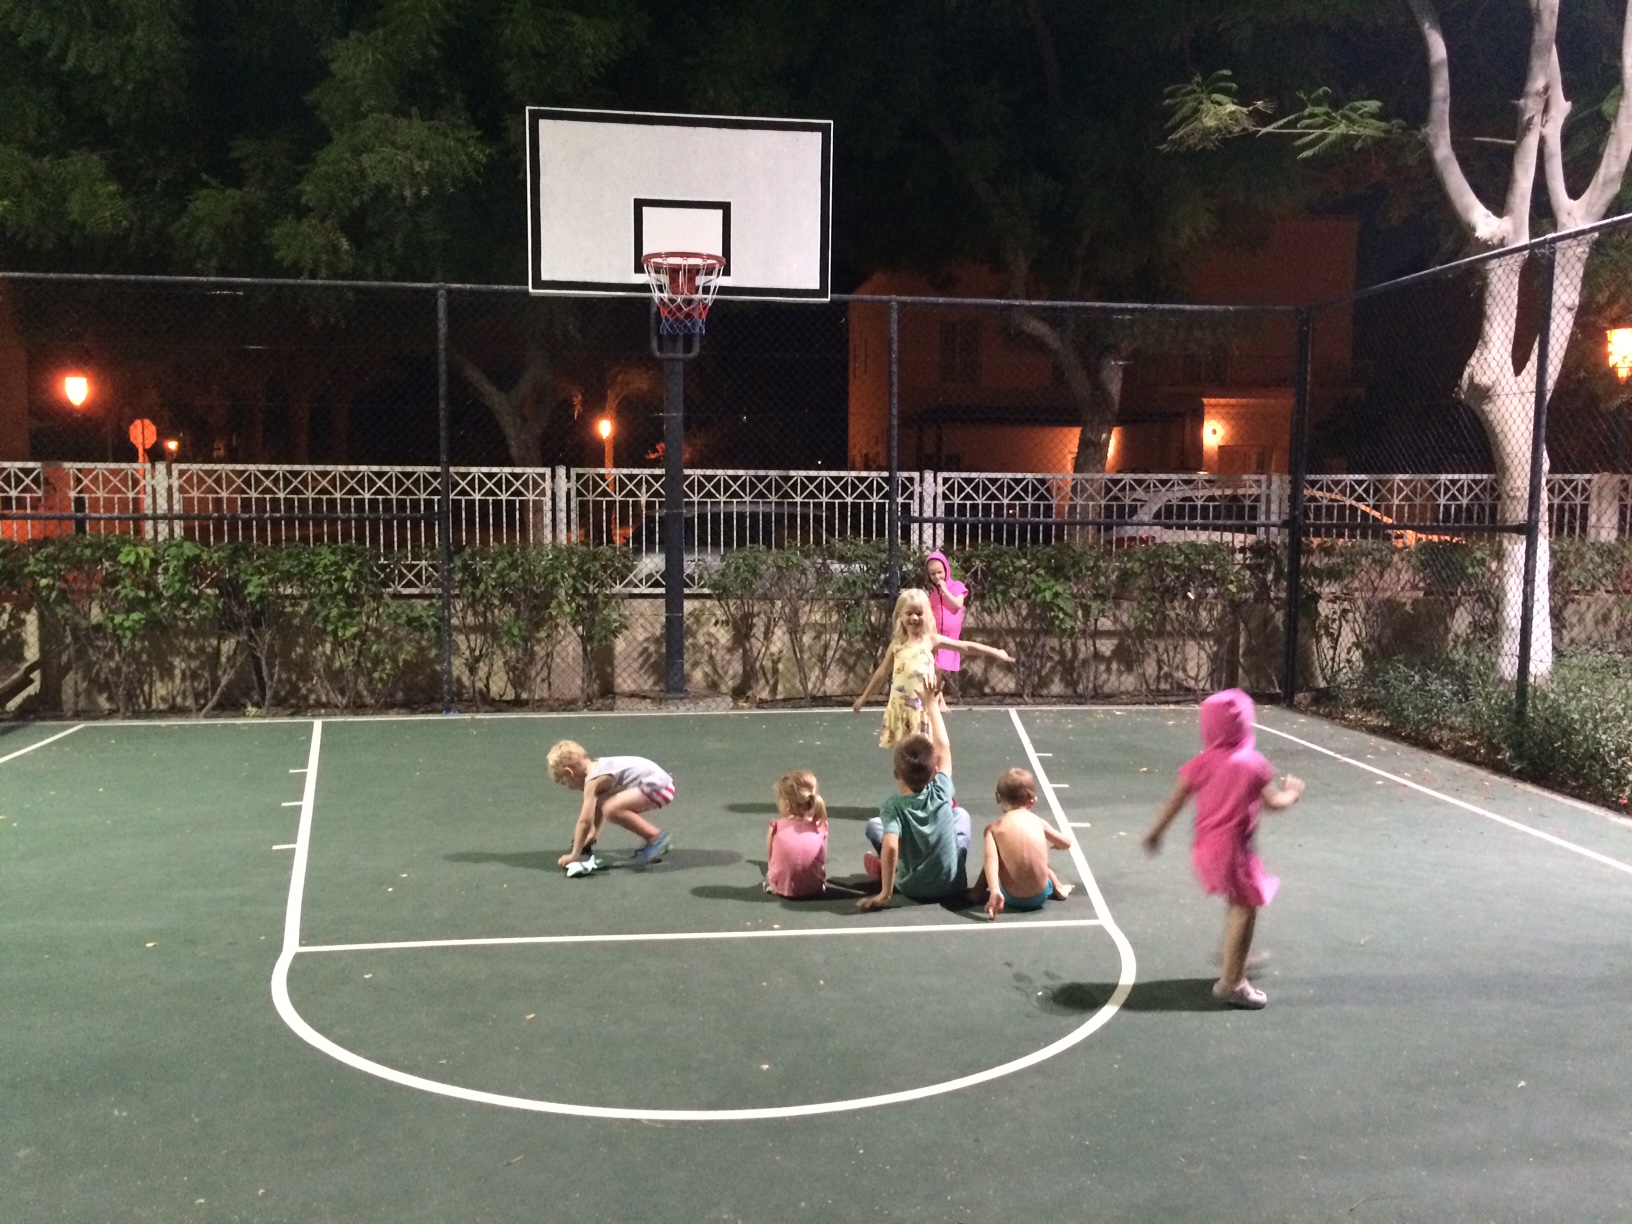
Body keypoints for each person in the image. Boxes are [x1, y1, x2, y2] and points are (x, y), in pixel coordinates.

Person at [1142, 689, 1304, 1009]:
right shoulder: (1252, 764)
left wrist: (1156, 833)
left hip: (1205, 850)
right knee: (1245, 906)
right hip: (1234, 851)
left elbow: (1176, 800)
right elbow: (1275, 803)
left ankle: (1234, 953)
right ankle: (1232, 983)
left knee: (1238, 902)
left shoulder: (1201, 763)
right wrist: (1292, 793)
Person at [857, 678, 972, 910]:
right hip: (952, 885)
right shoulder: (941, 788)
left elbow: (891, 846)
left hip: (911, 888)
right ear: (934, 771)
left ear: (895, 773)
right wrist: (932, 706)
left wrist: (885, 893)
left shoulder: (893, 806)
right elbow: (944, 747)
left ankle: (885, 870)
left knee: (875, 826)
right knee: (961, 815)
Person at [851, 588, 1013, 749]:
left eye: (919, 613)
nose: (914, 618)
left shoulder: (931, 641)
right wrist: (863, 698)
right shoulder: (896, 645)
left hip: (921, 710)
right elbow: (881, 673)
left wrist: (996, 652)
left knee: (925, 754)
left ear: (927, 615)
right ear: (900, 615)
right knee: (902, 757)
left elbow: (965, 647)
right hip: (899, 709)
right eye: (909, 613)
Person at [546, 740, 674, 869]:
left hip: (659, 788)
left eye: (564, 782)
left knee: (611, 809)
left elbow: (584, 822)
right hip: (658, 782)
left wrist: (574, 855)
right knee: (606, 803)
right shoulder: (597, 767)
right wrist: (593, 834)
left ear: (569, 773)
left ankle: (655, 837)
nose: (568, 787)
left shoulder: (593, 781)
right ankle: (653, 839)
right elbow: (596, 806)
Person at [976, 768, 1076, 920]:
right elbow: (1066, 843)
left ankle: (977, 892)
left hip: (1011, 898)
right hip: (1040, 895)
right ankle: (1059, 888)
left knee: (993, 858)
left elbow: (991, 860)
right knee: (1043, 864)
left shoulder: (993, 829)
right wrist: (1058, 845)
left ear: (997, 796)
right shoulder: (1038, 822)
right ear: (1032, 801)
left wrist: (995, 889)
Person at [765, 770, 829, 898]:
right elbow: (822, 858)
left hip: (782, 888)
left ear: (787, 804)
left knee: (769, 873)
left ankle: (776, 884)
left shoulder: (775, 826)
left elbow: (771, 857)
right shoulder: (821, 825)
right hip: (814, 888)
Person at [924, 550, 969, 709]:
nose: (937, 577)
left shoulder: (957, 586)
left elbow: (957, 605)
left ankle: (937, 700)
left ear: (946, 570)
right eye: (933, 574)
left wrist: (946, 590)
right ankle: (939, 701)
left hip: (950, 636)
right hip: (935, 635)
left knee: (939, 669)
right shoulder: (931, 594)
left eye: (940, 572)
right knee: (935, 668)